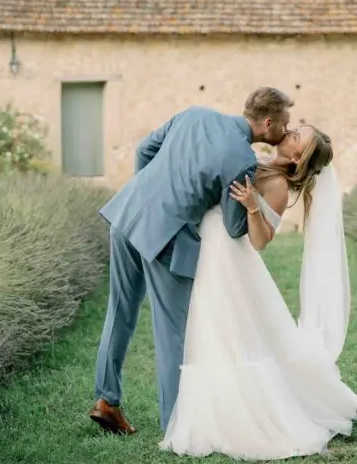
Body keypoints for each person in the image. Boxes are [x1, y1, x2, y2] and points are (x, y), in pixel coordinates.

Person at [160, 124, 357, 460]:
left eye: (295, 137)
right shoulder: (257, 157)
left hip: (230, 259)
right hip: (213, 246)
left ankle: (236, 418)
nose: (289, 131)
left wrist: (251, 206)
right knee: (210, 331)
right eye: (294, 129)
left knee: (224, 333)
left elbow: (260, 240)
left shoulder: (277, 184)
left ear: (296, 158)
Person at [89, 88, 293, 436]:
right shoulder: (241, 158)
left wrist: (152, 190)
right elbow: (232, 228)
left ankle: (107, 402)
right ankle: (176, 426)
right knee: (172, 333)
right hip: (167, 234)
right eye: (285, 124)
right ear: (268, 123)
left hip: (128, 213)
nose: (286, 131)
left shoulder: (194, 112)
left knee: (120, 310)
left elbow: (144, 150)